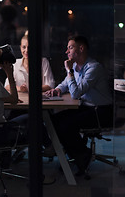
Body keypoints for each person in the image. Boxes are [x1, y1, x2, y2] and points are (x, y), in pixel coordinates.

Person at [44, 35, 113, 176]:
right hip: (87, 107)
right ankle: (78, 154)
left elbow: (75, 93)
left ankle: (81, 154)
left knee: (65, 125)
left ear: (81, 49)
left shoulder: (93, 68)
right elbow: (65, 84)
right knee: (54, 120)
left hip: (101, 111)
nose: (66, 52)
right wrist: (57, 89)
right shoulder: (76, 66)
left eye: (70, 47)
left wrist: (69, 71)